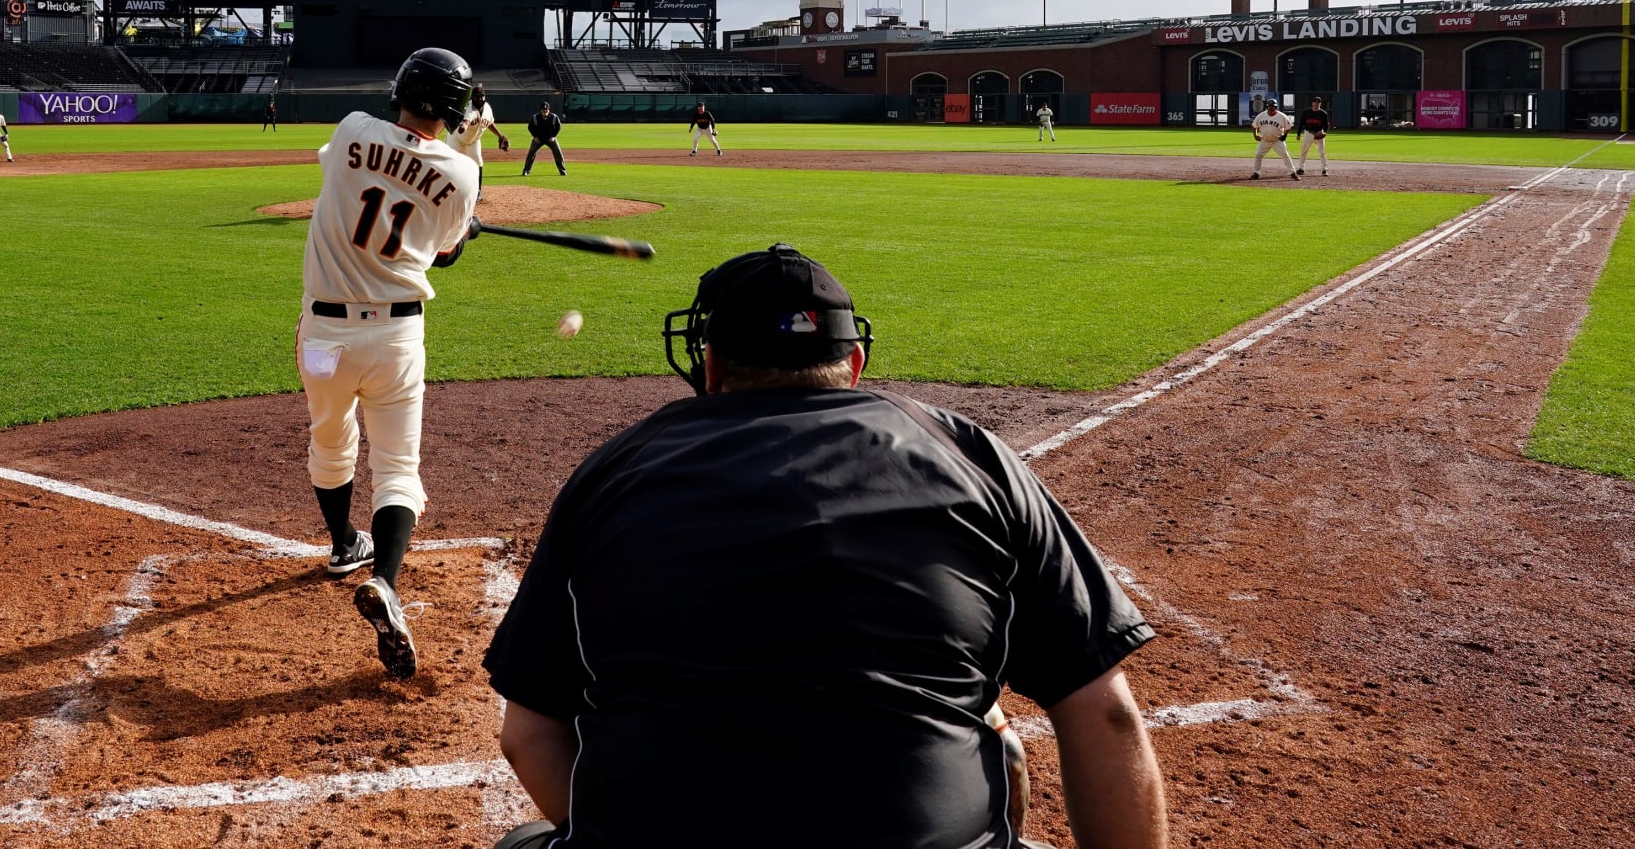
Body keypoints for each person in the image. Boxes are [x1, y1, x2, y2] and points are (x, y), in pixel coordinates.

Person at [484, 244, 1167, 849]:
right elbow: (1103, 710)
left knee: (524, 838)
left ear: (712, 363)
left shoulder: (615, 469)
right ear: (855, 362)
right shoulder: (968, 455)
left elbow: (527, 734)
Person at [299, 48, 481, 678]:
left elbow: (358, 182)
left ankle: (344, 543)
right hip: (397, 335)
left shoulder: (352, 129)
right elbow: (448, 254)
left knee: (330, 439)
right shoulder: (460, 175)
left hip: (324, 332)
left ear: (401, 87)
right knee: (398, 465)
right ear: (456, 111)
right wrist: (466, 223)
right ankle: (385, 579)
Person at [448, 84, 509, 185]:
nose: (480, 99)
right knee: (448, 160)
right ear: (472, 98)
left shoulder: (487, 108)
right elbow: (466, 121)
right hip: (456, 138)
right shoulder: (469, 107)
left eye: (482, 96)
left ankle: (478, 191)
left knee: (478, 162)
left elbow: (489, 123)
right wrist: (463, 126)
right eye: (477, 97)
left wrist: (500, 135)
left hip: (474, 141)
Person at [1251, 97, 1296, 180]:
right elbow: (1254, 126)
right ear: (1267, 107)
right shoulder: (1261, 116)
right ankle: (1256, 173)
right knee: (1258, 155)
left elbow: (1289, 126)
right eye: (1270, 106)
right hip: (1264, 140)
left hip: (1277, 141)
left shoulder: (1282, 116)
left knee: (1285, 155)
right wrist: (1255, 135)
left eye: (1273, 107)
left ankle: (1293, 173)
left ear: (1276, 107)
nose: (1271, 108)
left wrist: (1285, 135)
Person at [522, 101, 567, 176]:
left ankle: (562, 171)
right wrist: (535, 137)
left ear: (549, 110)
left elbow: (558, 127)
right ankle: (526, 171)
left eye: (546, 109)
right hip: (538, 139)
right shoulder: (535, 117)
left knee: (558, 152)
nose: (545, 110)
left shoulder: (554, 117)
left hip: (550, 139)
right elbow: (530, 127)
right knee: (531, 153)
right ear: (540, 110)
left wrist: (553, 136)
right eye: (543, 109)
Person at [1296, 95, 1330, 177]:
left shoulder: (1323, 113)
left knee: (1322, 152)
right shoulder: (1307, 112)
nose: (1316, 104)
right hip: (1308, 133)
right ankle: (1301, 168)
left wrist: (1324, 132)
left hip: (1319, 133)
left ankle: (1324, 169)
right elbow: (1301, 123)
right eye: (1315, 102)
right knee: (1304, 151)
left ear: (1320, 104)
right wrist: (1298, 134)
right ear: (1312, 103)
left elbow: (1326, 125)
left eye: (1318, 102)